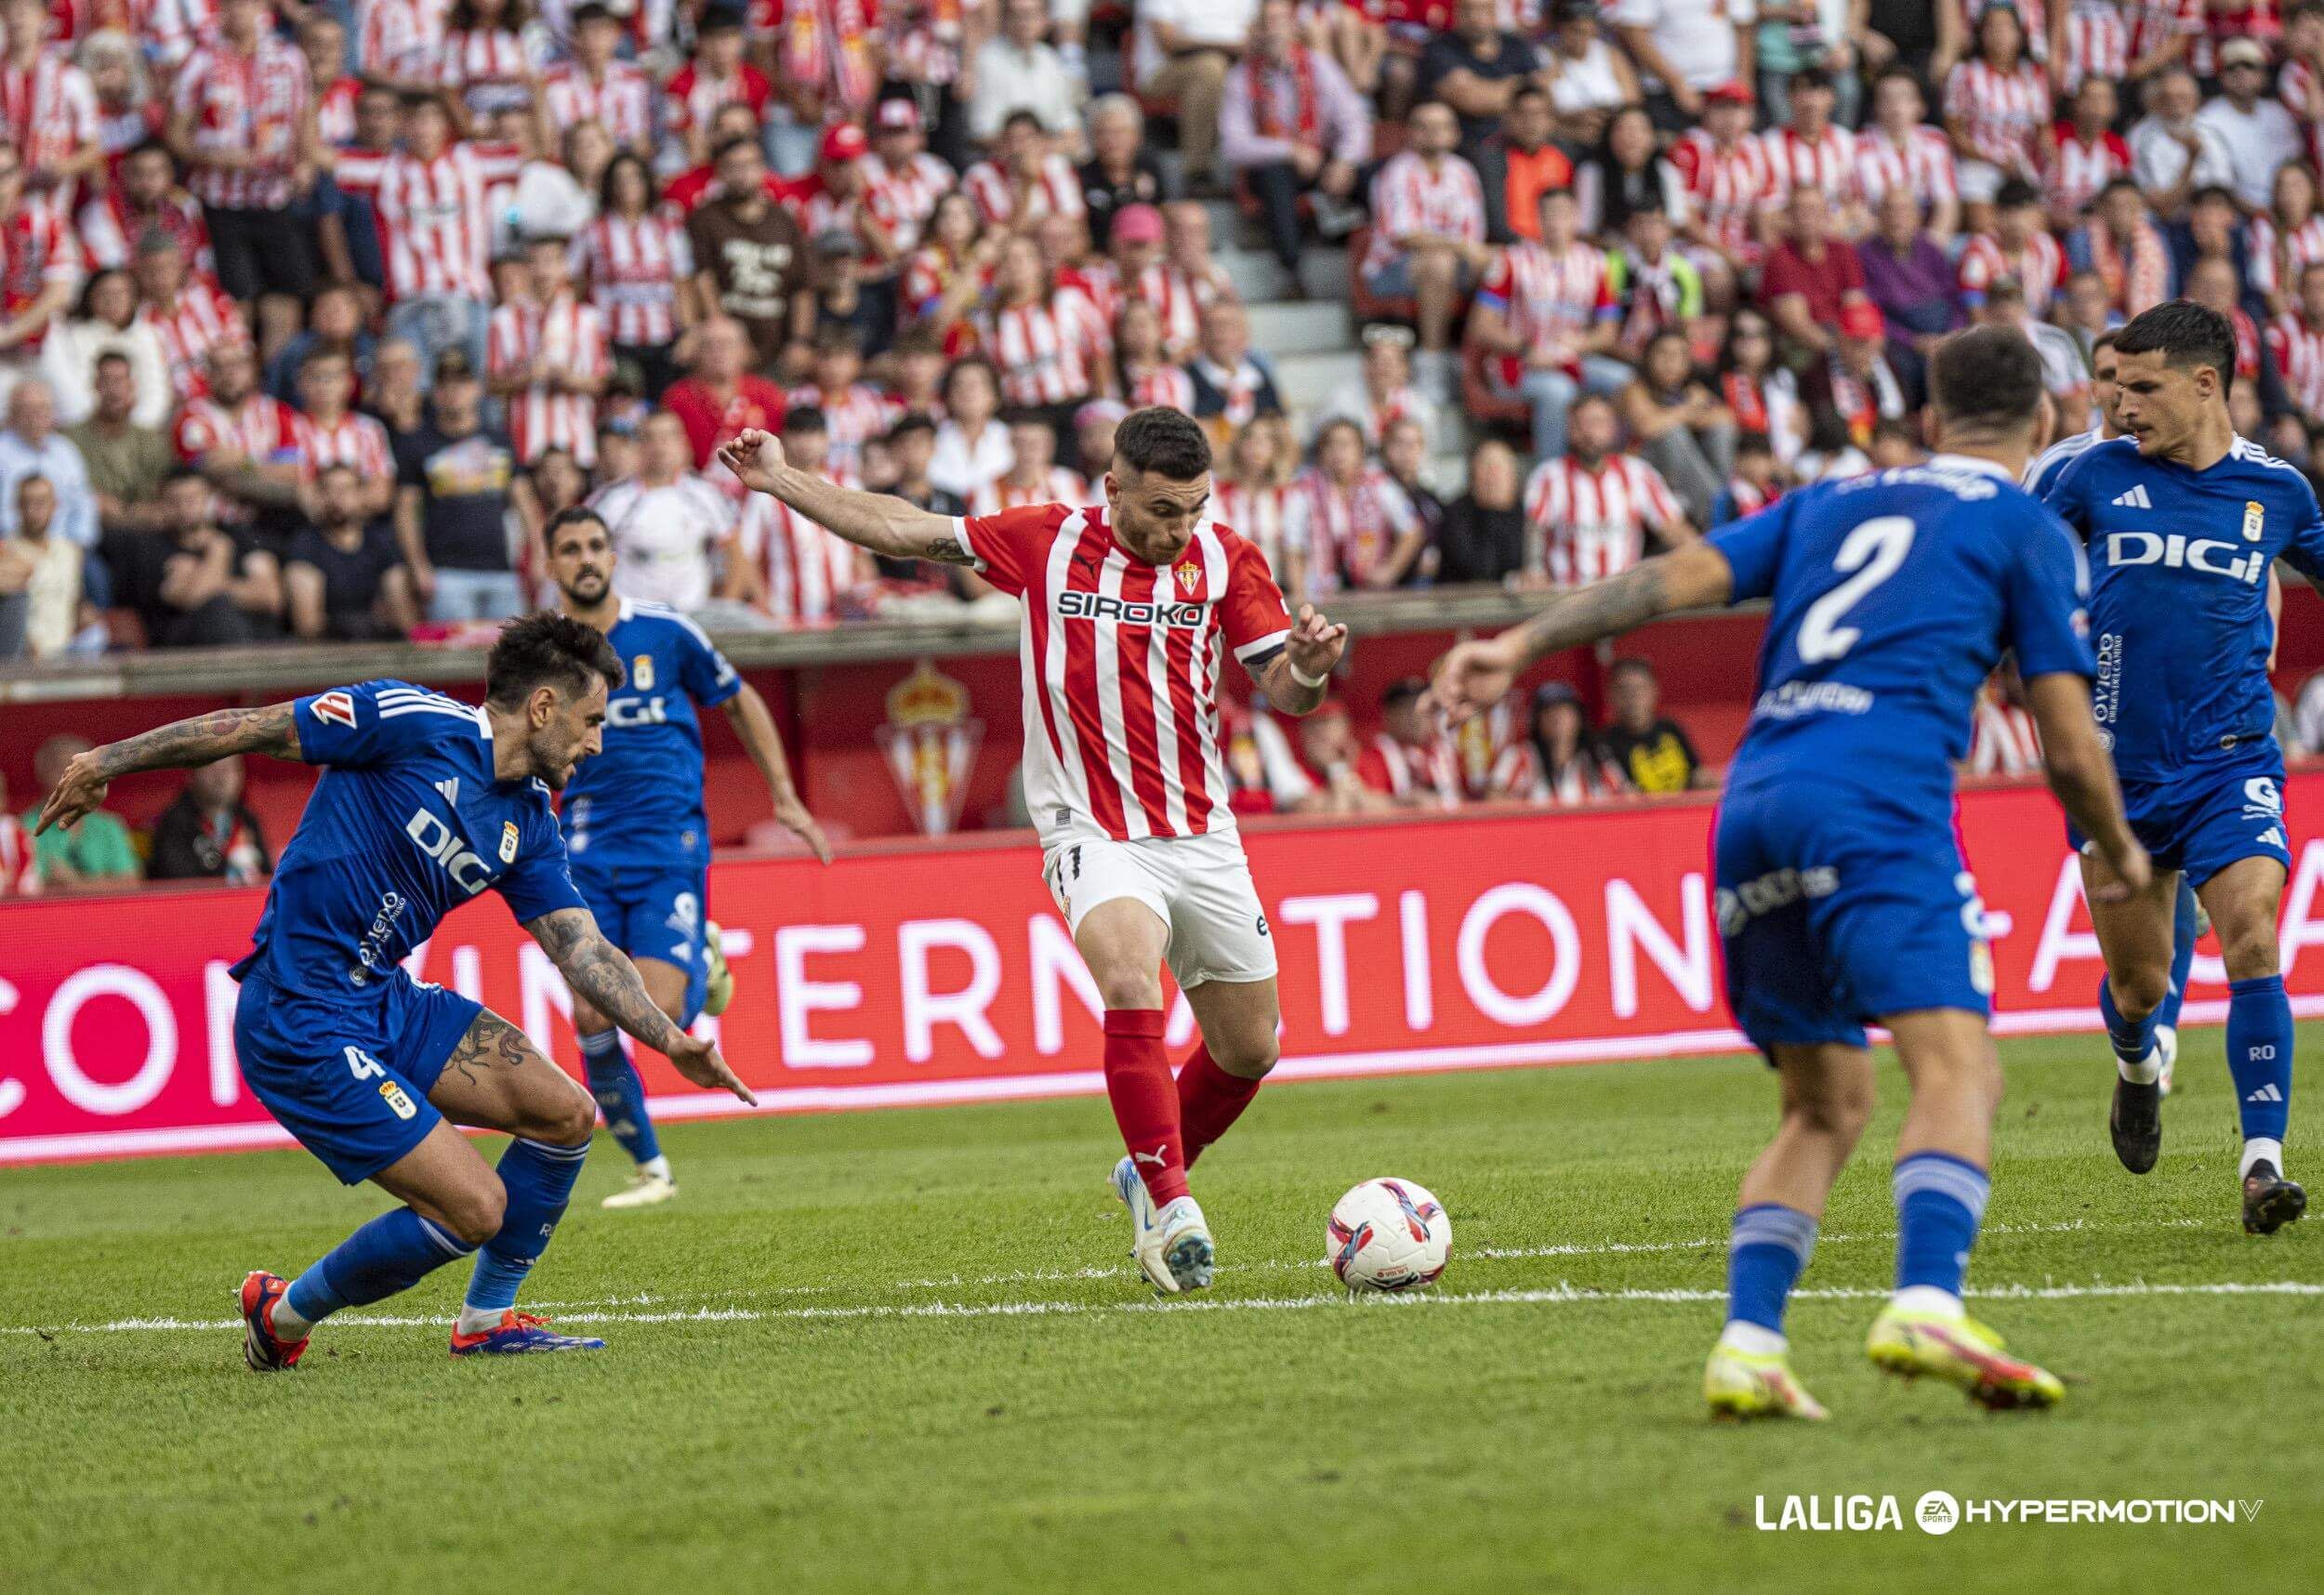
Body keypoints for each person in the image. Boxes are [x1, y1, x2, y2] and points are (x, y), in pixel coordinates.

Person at [1435, 323, 2145, 1419]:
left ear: (1924, 419)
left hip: (1752, 807)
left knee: (1824, 1103)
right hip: (1873, 804)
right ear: (2046, 422)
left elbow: (1666, 578)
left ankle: (1750, 1345)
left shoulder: (1829, 503)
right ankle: (1925, 1299)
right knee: (1959, 1068)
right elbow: (2064, 737)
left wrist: (1519, 646)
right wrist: (2117, 845)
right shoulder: (2024, 528)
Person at [718, 405, 1347, 1295]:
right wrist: (783, 481)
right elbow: (904, 526)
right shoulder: (1047, 543)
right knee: (1131, 977)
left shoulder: (1226, 559)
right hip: (1089, 827)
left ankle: (1147, 1165)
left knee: (1251, 1050)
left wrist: (1313, 669)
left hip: (1201, 831)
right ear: (1112, 488)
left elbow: (1283, 687)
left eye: (1194, 509)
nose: (1180, 529)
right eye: (1163, 509)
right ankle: (1170, 1206)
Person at [36, 615, 755, 1365]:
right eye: (592, 721)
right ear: (543, 708)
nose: (598, 743)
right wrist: (107, 760)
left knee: (567, 1115)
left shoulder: (528, 824)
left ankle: (486, 1323)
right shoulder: (408, 720)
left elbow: (583, 949)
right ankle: (281, 1316)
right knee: (476, 1208)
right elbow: (251, 727)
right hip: (298, 1014)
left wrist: (674, 1041)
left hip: (385, 1000)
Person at [2036, 299, 2324, 1234]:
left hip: (2232, 758)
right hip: (2118, 781)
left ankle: (2261, 1165)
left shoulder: (2279, 493)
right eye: (2115, 386)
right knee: (2141, 987)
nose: (2121, 405)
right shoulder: (2091, 478)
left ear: (2205, 385)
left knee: (2250, 936)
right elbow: (2010, 566)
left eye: (2141, 386)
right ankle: (2134, 1065)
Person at [542, 507, 825, 1211]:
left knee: (659, 1012)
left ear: (614, 556)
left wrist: (785, 795)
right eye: (571, 548)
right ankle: (650, 1169)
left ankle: (703, 958)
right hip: (579, 850)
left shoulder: (665, 632)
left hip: (668, 847)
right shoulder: (538, 655)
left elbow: (738, 700)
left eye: (596, 546)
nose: (586, 558)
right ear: (550, 565)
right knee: (590, 1014)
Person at [1471, 187, 1631, 461]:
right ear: (1539, 219)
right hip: (1519, 363)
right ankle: (1550, 474)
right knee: (1558, 391)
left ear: (1576, 217)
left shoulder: (1596, 263)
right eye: (1549, 214)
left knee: (1624, 382)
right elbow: (1481, 326)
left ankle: (1613, 468)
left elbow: (1608, 330)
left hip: (1573, 358)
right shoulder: (1512, 260)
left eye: (1564, 214)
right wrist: (1525, 348)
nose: (1557, 221)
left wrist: (1583, 342)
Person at [1220, 0, 1370, 284]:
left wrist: (1344, 162)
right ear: (1258, 30)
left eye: (1281, 21)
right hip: (1273, 167)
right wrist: (1290, 151)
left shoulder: (1319, 66)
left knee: (1371, 175)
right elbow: (1233, 145)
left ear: (1294, 28)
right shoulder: (1241, 76)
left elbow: (1355, 121)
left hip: (1322, 160)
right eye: (1267, 22)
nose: (1274, 29)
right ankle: (1291, 271)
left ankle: (1368, 267)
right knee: (1276, 177)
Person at [393, 349, 529, 622]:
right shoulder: (418, 443)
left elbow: (524, 501)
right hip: (446, 573)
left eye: (462, 383)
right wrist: (419, 566)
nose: (454, 391)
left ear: (477, 389)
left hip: (503, 571)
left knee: (513, 660)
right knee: (451, 662)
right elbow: (405, 512)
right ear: (435, 392)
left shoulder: (500, 439)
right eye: (445, 384)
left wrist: (535, 557)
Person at [1362, 101, 1489, 381]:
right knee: (1439, 263)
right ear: (1411, 132)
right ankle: (1432, 362)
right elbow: (1405, 235)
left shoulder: (1464, 171)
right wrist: (1462, 248)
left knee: (1504, 264)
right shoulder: (1397, 171)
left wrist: (1476, 253)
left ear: (1455, 133)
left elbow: (1474, 233)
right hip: (1392, 268)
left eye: (1442, 126)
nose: (1434, 133)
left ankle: (1487, 361)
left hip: (1455, 260)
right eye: (1424, 126)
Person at [1523, 394, 1697, 589]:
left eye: (1597, 423)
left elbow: (1673, 529)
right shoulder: (1549, 476)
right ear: (1570, 430)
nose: (1589, 432)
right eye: (1581, 424)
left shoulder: (1638, 474)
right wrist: (1534, 570)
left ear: (1613, 428)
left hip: (1623, 598)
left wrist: (1700, 562)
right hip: (1567, 598)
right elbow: (1534, 530)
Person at [106, 468, 284, 646]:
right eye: (174, 502)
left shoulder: (238, 535)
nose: (184, 509)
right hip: (186, 643)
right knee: (218, 610)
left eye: (192, 499)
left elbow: (270, 596)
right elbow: (195, 599)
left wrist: (201, 579)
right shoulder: (151, 547)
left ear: (209, 499)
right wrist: (218, 551)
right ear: (161, 504)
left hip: (253, 636)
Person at [687, 135, 816, 375]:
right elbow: (702, 281)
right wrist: (728, 340)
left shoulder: (785, 221)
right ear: (720, 173)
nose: (742, 174)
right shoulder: (705, 219)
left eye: (749, 165)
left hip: (779, 350)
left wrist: (800, 342)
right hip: (724, 355)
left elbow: (802, 287)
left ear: (763, 169)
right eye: (733, 167)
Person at [589, 410, 737, 612]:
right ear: (638, 446)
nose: (660, 446)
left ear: (683, 443)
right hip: (632, 617)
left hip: (691, 616)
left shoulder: (705, 494)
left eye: (668, 436)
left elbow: (736, 553)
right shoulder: (612, 499)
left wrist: (722, 607)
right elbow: (584, 556)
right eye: (650, 438)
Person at [285, 462, 417, 641]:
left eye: (345, 489)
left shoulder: (381, 542)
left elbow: (404, 615)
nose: (336, 497)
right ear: (319, 496)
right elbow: (308, 625)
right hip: (329, 651)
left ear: (361, 495)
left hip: (377, 647)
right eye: (328, 489)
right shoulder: (306, 545)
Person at [21, 732, 141, 892]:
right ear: (41, 773)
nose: (70, 777)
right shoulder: (22, 828)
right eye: (60, 768)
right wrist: (102, 883)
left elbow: (132, 884)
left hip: (106, 914)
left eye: (80, 770)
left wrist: (76, 885)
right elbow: (26, 890)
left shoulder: (109, 826)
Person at [1492, 680, 1628, 804]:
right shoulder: (1519, 756)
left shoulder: (1597, 756)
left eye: (1564, 711)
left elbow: (1626, 796)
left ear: (1578, 718)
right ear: (1537, 722)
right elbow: (1493, 799)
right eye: (1549, 712)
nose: (1557, 718)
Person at [147, 756, 271, 884]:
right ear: (191, 775)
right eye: (211, 767)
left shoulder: (248, 820)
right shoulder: (173, 824)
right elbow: (181, 883)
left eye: (229, 768)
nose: (221, 777)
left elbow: (268, 877)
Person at [1597, 657, 1709, 793]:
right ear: (1610, 696)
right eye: (1624, 690)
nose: (1633, 697)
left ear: (1654, 691)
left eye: (1640, 688)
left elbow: (1698, 774)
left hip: (1684, 811)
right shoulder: (1603, 744)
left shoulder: (1671, 727)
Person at [1435, 436, 1528, 586]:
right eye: (1486, 466)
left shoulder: (1527, 514)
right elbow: (1478, 570)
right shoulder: (1455, 514)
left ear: (1513, 476)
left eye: (1500, 466)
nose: (1493, 475)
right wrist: (1493, 511)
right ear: (1472, 474)